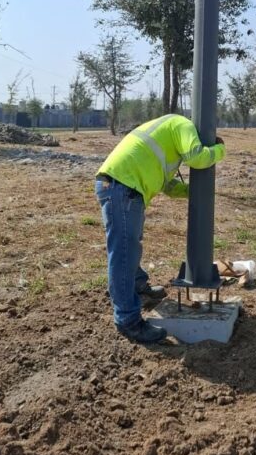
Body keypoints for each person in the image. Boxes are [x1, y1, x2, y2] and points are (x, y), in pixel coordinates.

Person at [95, 114, 226, 345]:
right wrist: (219, 150)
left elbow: (168, 185)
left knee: (130, 247)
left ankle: (138, 286)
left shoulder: (170, 138)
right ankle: (128, 321)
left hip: (124, 186)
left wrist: (196, 190)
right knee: (124, 254)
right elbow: (198, 157)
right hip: (121, 186)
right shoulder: (182, 124)